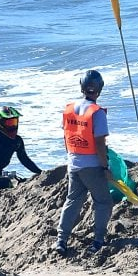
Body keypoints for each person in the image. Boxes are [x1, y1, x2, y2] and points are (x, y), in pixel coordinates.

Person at [55, 69, 114, 255]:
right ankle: (97, 241)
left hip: (73, 162)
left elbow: (66, 136)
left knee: (73, 200)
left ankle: (61, 240)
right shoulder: (97, 113)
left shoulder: (69, 108)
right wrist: (105, 167)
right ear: (100, 89)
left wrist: (72, 157)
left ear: (82, 87)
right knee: (103, 202)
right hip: (92, 165)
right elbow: (99, 143)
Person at [0, 106, 42, 192]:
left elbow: (24, 159)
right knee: (5, 182)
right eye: (10, 123)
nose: (13, 126)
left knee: (16, 182)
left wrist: (40, 172)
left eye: (15, 122)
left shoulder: (17, 141)